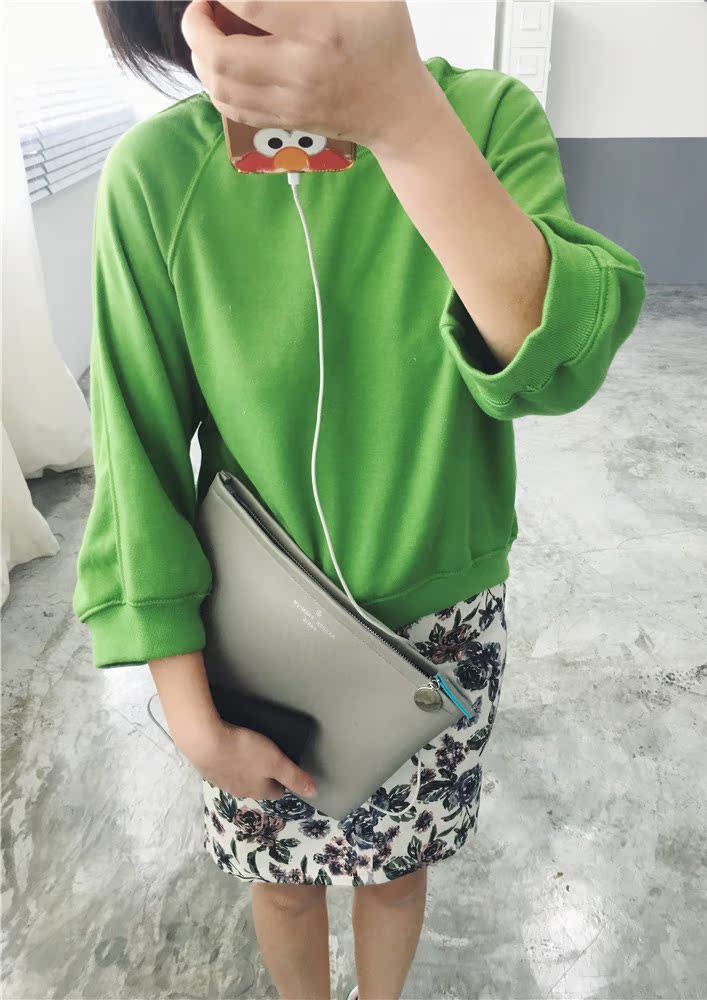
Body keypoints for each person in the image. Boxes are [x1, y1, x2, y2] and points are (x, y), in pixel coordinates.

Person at [72, 2, 647, 998]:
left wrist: (406, 123)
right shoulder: (157, 178)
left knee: (397, 873)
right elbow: (137, 461)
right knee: (283, 886)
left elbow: (556, 366)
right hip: (255, 645)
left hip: (438, 629)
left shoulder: (484, 120)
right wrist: (192, 715)